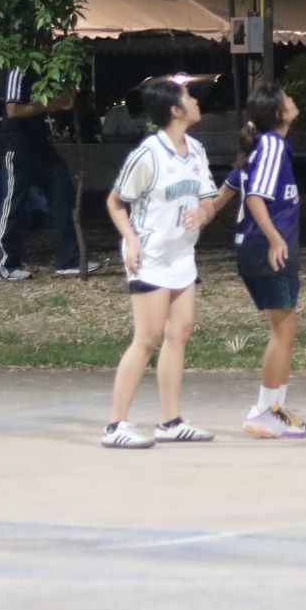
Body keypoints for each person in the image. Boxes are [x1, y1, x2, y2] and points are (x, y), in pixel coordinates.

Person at [99, 79, 222, 448]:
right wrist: (132, 240)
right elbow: (115, 202)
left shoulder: (195, 150)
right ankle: (116, 425)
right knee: (147, 338)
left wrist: (204, 212)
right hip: (149, 256)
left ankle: (170, 421)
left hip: (181, 255)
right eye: (188, 97)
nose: (195, 101)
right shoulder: (148, 154)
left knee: (179, 332)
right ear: (174, 110)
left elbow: (209, 200)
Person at [219, 84, 306, 440]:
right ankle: (266, 411)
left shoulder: (259, 146)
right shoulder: (272, 145)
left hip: (254, 246)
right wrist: (276, 239)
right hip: (266, 247)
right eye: (288, 99)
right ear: (278, 113)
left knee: (285, 326)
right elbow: (256, 198)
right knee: (284, 329)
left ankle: (272, 407)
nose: (293, 101)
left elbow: (228, 190)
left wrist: (203, 213)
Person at [0, 64, 90, 281]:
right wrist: (52, 104)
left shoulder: (45, 72)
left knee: (62, 191)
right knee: (14, 200)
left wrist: (60, 103)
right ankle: (7, 264)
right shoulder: (19, 69)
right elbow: (13, 110)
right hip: (16, 142)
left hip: (39, 142)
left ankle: (69, 260)